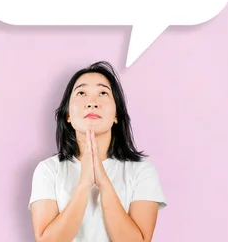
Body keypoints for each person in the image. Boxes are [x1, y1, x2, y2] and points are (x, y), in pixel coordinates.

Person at [28, 61, 167, 242]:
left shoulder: (142, 170)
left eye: (103, 93)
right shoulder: (48, 170)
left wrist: (103, 183)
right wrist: (85, 184)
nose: (92, 103)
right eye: (81, 93)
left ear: (117, 114)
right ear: (68, 115)